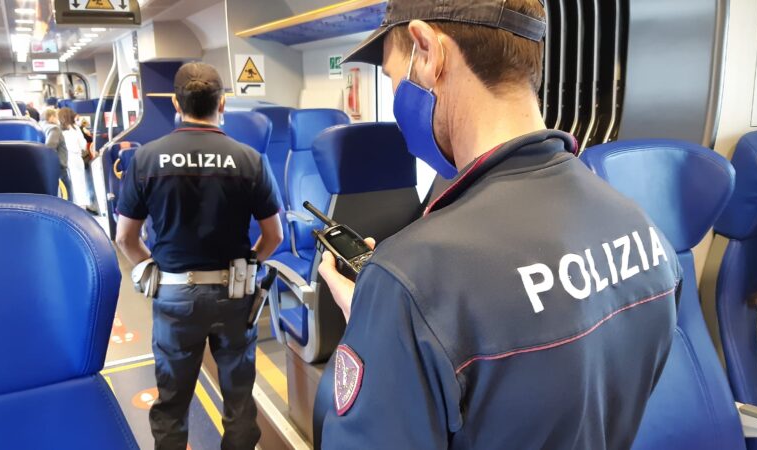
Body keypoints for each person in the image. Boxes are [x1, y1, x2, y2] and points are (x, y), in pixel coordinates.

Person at [316, 1, 683, 448]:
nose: (397, 101)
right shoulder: (646, 233)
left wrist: (385, 323)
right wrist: (387, 328)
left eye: (394, 79)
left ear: (428, 52)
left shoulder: (412, 278)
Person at [115, 62, 284, 450]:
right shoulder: (250, 160)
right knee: (239, 401)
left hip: (174, 296)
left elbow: (126, 237)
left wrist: (149, 272)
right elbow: (274, 235)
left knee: (172, 402)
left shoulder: (146, 159)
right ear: (221, 103)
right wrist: (248, 266)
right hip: (235, 294)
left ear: (176, 103)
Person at [58, 107, 89, 209]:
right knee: (79, 182)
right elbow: (83, 145)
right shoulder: (75, 128)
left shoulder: (58, 129)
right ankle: (82, 206)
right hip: (76, 157)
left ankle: (72, 205)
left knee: (69, 183)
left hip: (64, 158)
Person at [39, 108, 72, 199]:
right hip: (58, 165)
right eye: (55, 117)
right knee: (66, 190)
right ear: (51, 117)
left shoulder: (40, 127)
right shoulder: (54, 128)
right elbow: (50, 146)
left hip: (46, 165)